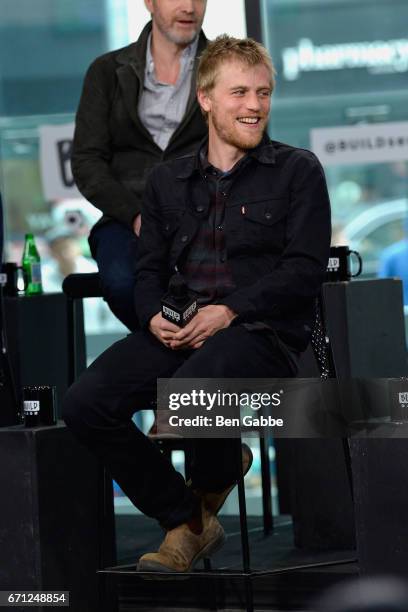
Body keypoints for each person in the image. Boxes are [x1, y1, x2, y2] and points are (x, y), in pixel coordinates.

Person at [63, 35, 331, 573]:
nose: (254, 106)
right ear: (205, 99)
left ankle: (208, 484)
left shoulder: (299, 171)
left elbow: (303, 271)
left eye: (263, 93)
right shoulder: (166, 181)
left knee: (190, 392)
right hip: (183, 329)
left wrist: (230, 312)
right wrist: (152, 316)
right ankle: (186, 516)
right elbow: (149, 272)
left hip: (260, 332)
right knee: (83, 402)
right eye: (239, 93)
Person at [71, 0, 208, 331]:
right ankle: (167, 355)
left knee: (213, 287)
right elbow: (87, 160)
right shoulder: (106, 71)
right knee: (121, 281)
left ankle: (184, 364)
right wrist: (134, 215)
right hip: (126, 214)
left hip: (205, 212)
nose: (189, 7)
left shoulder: (225, 66)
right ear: (149, 2)